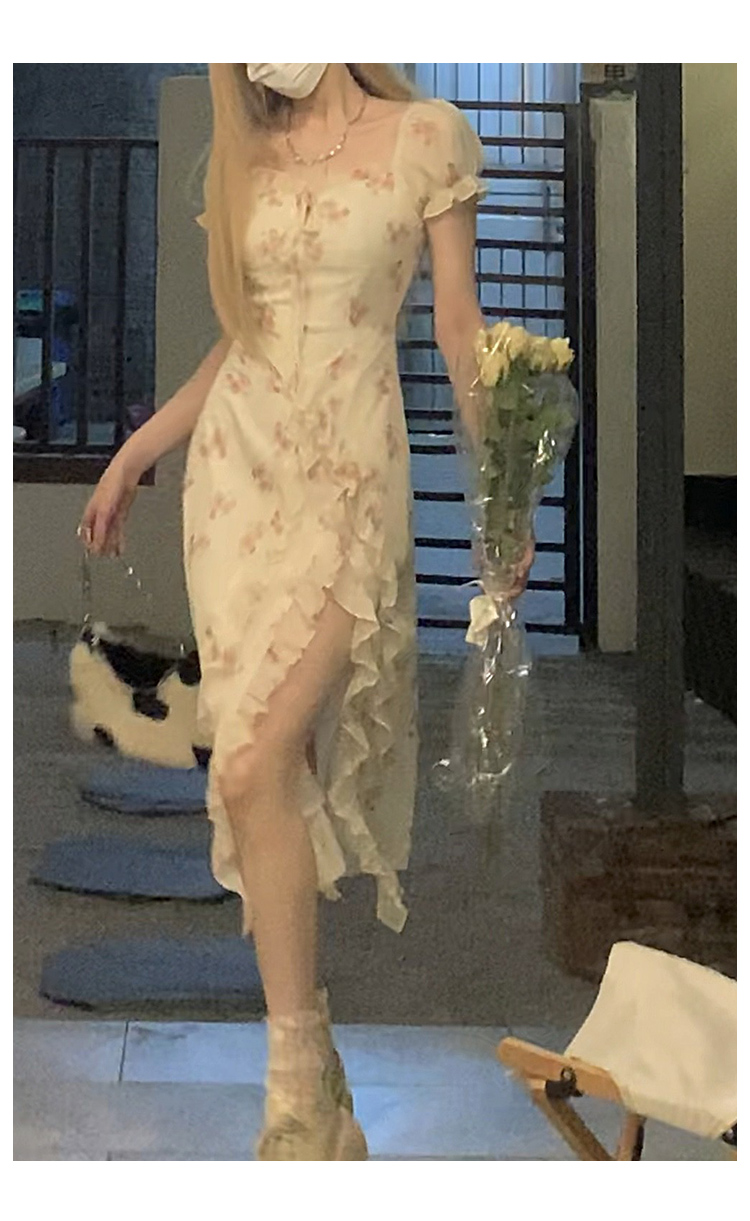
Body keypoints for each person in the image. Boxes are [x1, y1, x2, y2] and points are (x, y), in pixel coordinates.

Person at [79, 63, 534, 1160]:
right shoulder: (243, 158)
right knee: (258, 771)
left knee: (250, 766)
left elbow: (459, 330)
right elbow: (241, 341)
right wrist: (140, 449)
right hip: (235, 485)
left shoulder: (427, 137)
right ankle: (309, 1090)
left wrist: (502, 496)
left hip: (349, 484)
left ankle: (297, 1092)